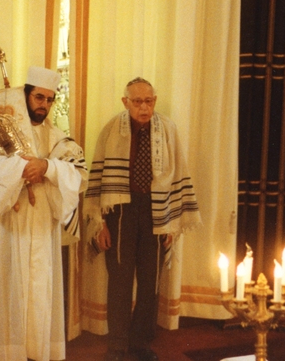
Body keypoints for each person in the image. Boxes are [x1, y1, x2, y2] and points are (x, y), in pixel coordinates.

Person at [0, 66, 87, 361]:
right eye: (38, 97)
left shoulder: (58, 138)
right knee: (6, 291)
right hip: (8, 226)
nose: (43, 104)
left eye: (49, 99)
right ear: (25, 94)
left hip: (40, 227)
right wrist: (21, 169)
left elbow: (80, 173)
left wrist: (47, 167)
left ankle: (35, 354)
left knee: (37, 293)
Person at [85, 77, 201, 361]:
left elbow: (178, 173)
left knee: (150, 284)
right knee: (120, 283)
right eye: (137, 101)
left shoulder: (168, 130)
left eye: (149, 101)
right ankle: (117, 347)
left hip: (157, 211)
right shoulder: (112, 129)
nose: (144, 107)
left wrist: (172, 223)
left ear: (155, 101)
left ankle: (140, 345)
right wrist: (100, 224)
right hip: (121, 211)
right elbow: (98, 177)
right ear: (125, 102)